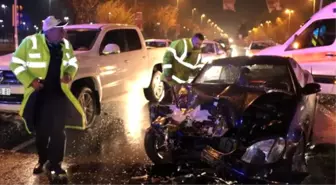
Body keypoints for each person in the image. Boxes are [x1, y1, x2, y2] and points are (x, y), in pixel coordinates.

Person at [10, 16, 86, 178]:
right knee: (42, 132)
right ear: (49, 31)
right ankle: (42, 159)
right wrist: (31, 81)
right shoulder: (30, 42)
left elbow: (73, 62)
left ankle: (56, 163)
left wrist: (68, 73)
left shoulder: (65, 45)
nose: (63, 32)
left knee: (58, 131)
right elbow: (15, 63)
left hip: (59, 95)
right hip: (39, 96)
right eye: (60, 29)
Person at [161, 33, 204, 101]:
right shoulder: (181, 44)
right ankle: (157, 109)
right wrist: (167, 73)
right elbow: (167, 57)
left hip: (182, 82)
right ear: (192, 39)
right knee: (169, 101)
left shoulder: (198, 53)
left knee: (177, 102)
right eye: (197, 43)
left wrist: (200, 78)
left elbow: (196, 69)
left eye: (200, 44)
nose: (198, 46)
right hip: (170, 79)